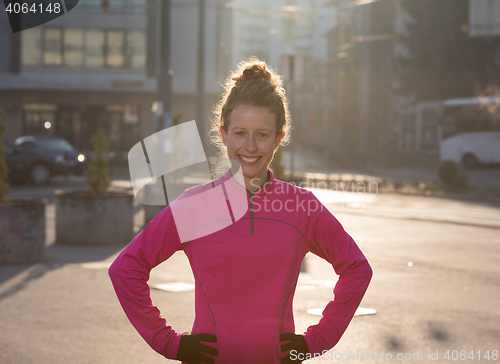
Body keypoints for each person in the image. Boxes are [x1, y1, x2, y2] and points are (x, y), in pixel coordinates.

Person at [109, 58, 372, 364]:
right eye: (239, 133)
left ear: (279, 137)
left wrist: (315, 341)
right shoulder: (195, 205)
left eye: (261, 134)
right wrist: (171, 344)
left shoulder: (302, 207)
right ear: (223, 135)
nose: (249, 146)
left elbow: (357, 269)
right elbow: (126, 270)